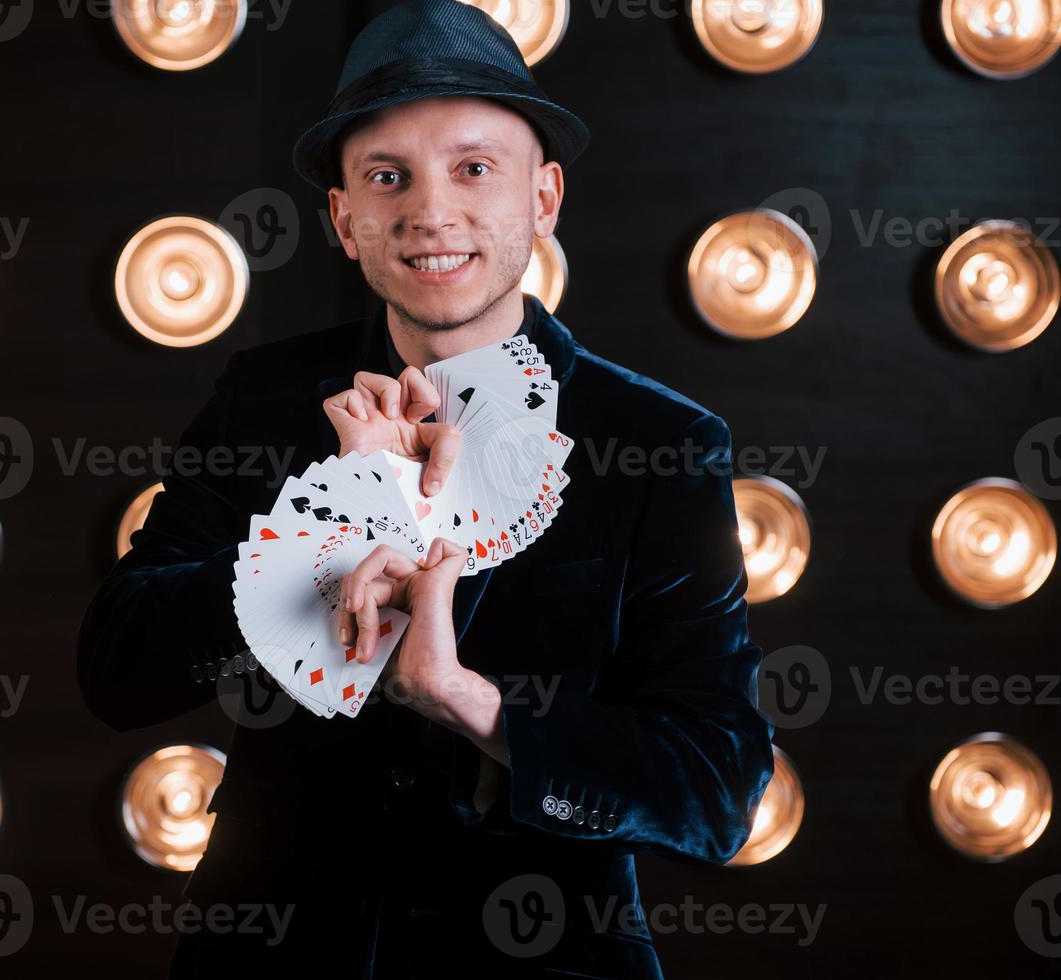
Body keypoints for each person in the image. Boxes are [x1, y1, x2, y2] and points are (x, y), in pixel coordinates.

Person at [77, 2, 775, 976]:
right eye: (385, 176)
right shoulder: (263, 397)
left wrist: (468, 703)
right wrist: (311, 558)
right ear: (342, 218)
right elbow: (115, 667)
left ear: (543, 197)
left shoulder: (662, 442)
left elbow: (714, 787)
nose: (429, 212)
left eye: (473, 167)